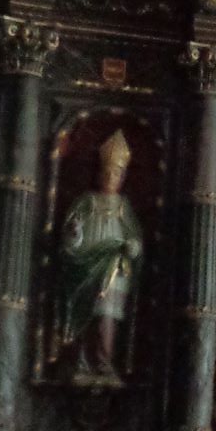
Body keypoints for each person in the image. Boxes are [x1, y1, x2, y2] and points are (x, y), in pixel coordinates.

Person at [58, 128, 143, 380]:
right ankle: (81, 361)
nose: (109, 177)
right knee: (86, 311)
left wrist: (132, 247)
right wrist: (75, 233)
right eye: (105, 172)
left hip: (113, 267)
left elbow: (135, 239)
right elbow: (71, 234)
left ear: (123, 177)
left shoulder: (123, 206)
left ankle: (104, 362)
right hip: (84, 266)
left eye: (115, 173)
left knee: (107, 316)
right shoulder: (87, 201)